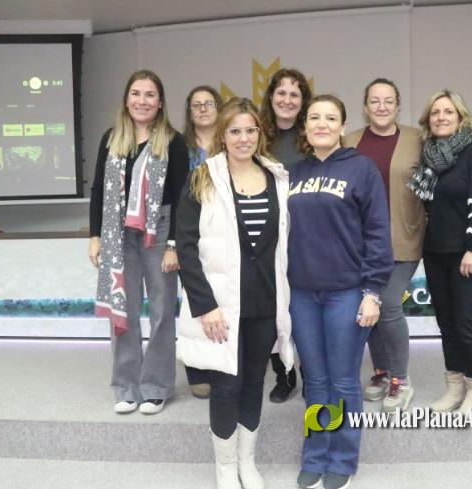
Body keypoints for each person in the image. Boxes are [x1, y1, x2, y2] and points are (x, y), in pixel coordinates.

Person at [176, 98, 294, 489]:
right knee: (227, 384)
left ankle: (247, 461)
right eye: (235, 131)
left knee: (254, 381)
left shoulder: (277, 177)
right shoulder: (202, 179)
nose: (243, 138)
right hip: (221, 306)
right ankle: (225, 467)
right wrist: (205, 306)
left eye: (250, 130)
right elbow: (186, 248)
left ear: (260, 133)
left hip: (265, 301)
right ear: (222, 135)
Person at [289, 94, 393, 489]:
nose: (322, 124)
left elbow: (378, 232)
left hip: (347, 292)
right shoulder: (292, 174)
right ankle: (316, 454)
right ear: (305, 126)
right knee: (315, 380)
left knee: (344, 380)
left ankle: (343, 459)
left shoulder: (361, 169)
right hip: (301, 294)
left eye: (330, 118)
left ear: (343, 126)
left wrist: (372, 291)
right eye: (314, 117)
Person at [88, 69, 189, 415]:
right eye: (136, 93)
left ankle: (156, 387)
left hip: (160, 230)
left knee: (161, 312)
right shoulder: (111, 138)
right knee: (124, 311)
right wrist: (95, 235)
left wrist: (174, 244)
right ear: (126, 99)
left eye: (149, 95)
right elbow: (98, 189)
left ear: (160, 102)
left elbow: (182, 195)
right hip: (117, 233)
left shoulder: (173, 141)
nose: (142, 101)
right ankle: (126, 386)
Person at [408, 89, 472, 416]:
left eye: (448, 112)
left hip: (468, 255)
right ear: (428, 120)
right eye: (435, 113)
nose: (441, 117)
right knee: (446, 324)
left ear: (461, 118)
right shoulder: (430, 158)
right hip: (436, 253)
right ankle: (454, 387)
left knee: (464, 325)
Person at [344, 78, 425, 413]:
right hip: (359, 243)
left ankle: (401, 379)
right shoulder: (349, 141)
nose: (381, 107)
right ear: (365, 107)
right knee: (369, 306)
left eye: (388, 101)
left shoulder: (417, 139)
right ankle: (380, 371)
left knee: (388, 303)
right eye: (375, 101)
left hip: (403, 237)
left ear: (397, 106)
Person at [258, 67, 312, 402]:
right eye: (281, 93)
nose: (287, 100)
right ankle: (284, 375)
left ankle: (312, 374)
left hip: (305, 234)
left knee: (303, 307)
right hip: (267, 236)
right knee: (273, 308)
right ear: (271, 97)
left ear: (303, 101)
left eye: (295, 94)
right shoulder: (258, 135)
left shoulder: (312, 134)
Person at [180, 84, 224, 399]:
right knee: (192, 298)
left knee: (221, 297)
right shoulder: (178, 147)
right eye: (197, 105)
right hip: (188, 230)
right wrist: (172, 243)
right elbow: (170, 194)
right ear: (189, 111)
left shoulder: (229, 142)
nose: (203, 109)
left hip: (222, 232)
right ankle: (196, 369)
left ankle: (221, 363)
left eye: (209, 103)